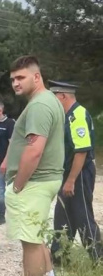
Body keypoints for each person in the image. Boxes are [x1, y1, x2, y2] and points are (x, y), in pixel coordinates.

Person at [0, 55, 65, 276]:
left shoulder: (39, 105)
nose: (15, 83)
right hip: (45, 180)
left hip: (33, 183)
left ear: (36, 77)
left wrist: (18, 185)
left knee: (30, 244)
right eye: (13, 79)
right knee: (37, 239)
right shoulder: (50, 100)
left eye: (20, 77)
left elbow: (34, 150)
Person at [49, 80, 103, 263]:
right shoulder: (67, 115)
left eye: (54, 96)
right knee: (62, 214)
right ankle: (59, 257)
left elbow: (81, 151)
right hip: (69, 171)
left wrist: (71, 180)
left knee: (82, 216)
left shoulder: (77, 115)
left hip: (78, 173)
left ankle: (98, 259)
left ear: (63, 96)